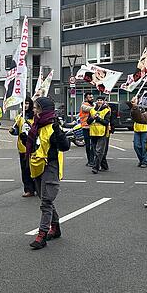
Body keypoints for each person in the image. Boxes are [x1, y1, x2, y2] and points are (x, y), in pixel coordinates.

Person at [26, 97, 70, 250]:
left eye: (36, 108)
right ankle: (56, 228)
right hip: (37, 165)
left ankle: (42, 235)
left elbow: (65, 147)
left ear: (44, 110)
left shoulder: (53, 127)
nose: (34, 110)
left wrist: (59, 132)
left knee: (46, 201)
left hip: (50, 166)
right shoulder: (36, 125)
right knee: (45, 199)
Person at [11, 98, 36, 197]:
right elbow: (18, 130)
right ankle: (28, 189)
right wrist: (13, 131)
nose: (25, 105)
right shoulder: (19, 118)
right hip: (23, 148)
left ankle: (37, 187)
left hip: (35, 148)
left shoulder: (35, 117)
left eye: (27, 103)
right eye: (23, 104)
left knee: (35, 168)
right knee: (25, 170)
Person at [87, 96, 111, 174]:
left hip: (102, 133)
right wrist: (92, 118)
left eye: (101, 100)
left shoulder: (106, 110)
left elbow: (106, 122)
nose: (99, 101)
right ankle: (104, 166)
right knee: (96, 151)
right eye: (98, 100)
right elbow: (88, 122)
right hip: (93, 133)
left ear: (103, 102)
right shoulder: (92, 110)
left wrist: (98, 119)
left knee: (99, 151)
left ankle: (95, 167)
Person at [132, 97, 147, 168]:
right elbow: (133, 114)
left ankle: (144, 161)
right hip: (137, 129)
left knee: (144, 147)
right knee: (136, 146)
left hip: (145, 130)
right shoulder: (135, 106)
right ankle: (142, 159)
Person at [79, 93, 95, 167]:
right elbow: (90, 109)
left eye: (92, 97)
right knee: (89, 145)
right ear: (86, 99)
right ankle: (90, 160)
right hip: (86, 127)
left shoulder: (93, 104)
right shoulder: (84, 105)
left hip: (92, 127)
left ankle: (91, 160)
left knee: (93, 145)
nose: (92, 98)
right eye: (90, 97)